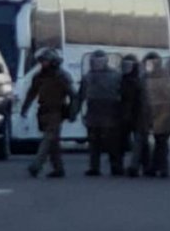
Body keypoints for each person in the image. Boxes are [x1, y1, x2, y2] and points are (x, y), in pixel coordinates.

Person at [21, 48, 76, 179]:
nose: (43, 64)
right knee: (53, 142)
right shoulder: (39, 76)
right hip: (43, 111)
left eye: (45, 61)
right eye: (42, 61)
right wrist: (25, 108)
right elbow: (32, 93)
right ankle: (58, 168)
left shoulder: (62, 76)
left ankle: (36, 165)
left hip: (56, 112)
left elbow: (73, 95)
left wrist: (72, 112)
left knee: (47, 139)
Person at [79, 50, 124, 177]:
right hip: (100, 114)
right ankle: (103, 167)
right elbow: (81, 95)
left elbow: (80, 96)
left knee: (107, 143)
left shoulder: (113, 76)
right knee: (99, 143)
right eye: (95, 61)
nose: (96, 64)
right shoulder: (91, 76)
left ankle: (108, 167)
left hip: (105, 113)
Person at [144, 53, 170, 177]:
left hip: (161, 113)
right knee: (160, 143)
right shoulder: (165, 75)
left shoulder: (150, 77)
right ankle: (158, 167)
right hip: (163, 113)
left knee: (161, 143)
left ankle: (159, 168)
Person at [119, 55, 150, 178]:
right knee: (141, 142)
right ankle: (144, 166)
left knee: (138, 142)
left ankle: (134, 167)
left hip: (136, 114)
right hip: (135, 114)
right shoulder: (133, 81)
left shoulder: (134, 82)